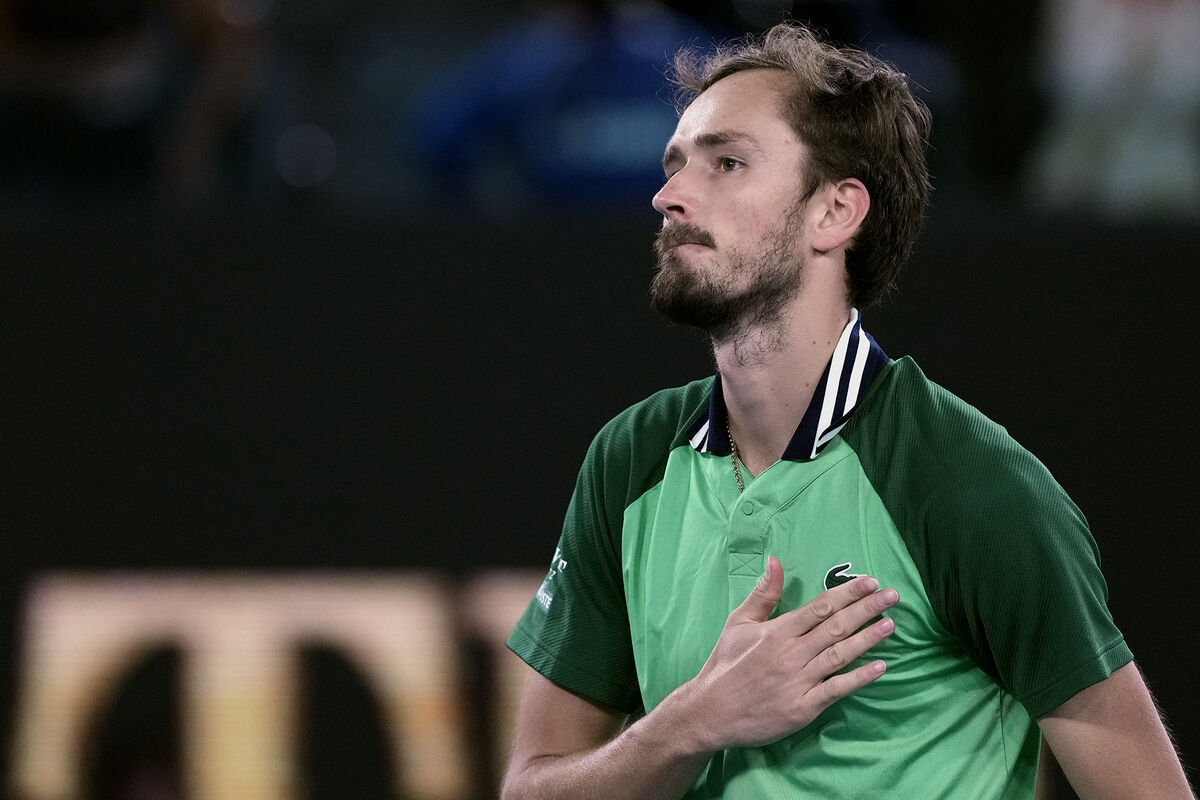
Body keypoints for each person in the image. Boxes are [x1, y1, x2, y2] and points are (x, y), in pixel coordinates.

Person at [501, 22, 1193, 800]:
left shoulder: (970, 484)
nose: (670, 196)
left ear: (835, 212)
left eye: (726, 163)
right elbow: (530, 789)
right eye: (675, 165)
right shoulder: (629, 459)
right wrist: (691, 724)